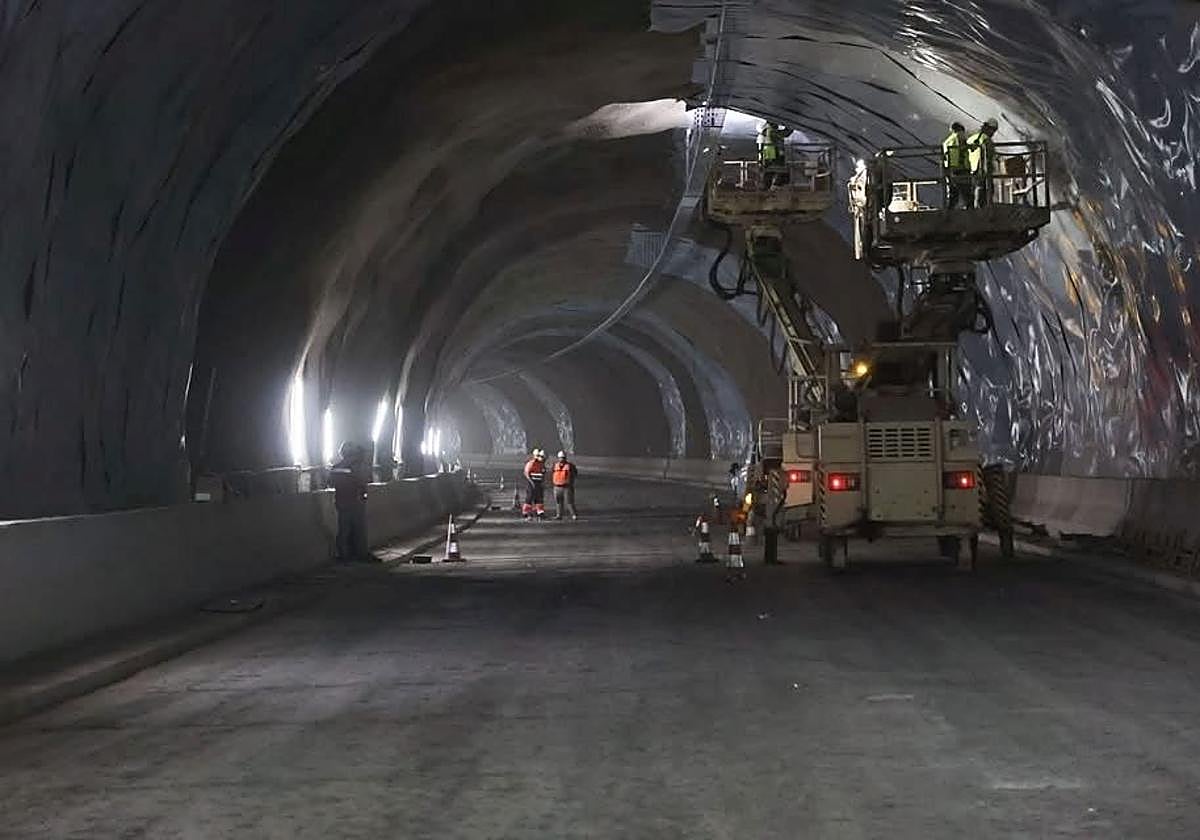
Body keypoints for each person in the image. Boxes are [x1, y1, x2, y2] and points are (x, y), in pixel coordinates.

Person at [329, 441, 372, 563]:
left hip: (342, 501)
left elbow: (331, 482)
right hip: (355, 501)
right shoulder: (356, 467)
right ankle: (361, 554)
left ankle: (343, 555)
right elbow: (363, 481)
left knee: (343, 529)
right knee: (359, 529)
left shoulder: (336, 467)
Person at [968, 117, 999, 207]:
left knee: (977, 188)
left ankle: (977, 207)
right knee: (986, 190)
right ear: (989, 128)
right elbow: (990, 155)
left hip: (972, 168)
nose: (993, 133)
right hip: (982, 169)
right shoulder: (986, 139)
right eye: (993, 130)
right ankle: (984, 208)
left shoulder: (971, 138)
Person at [942, 122, 972, 209]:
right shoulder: (959, 137)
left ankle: (950, 211)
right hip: (961, 168)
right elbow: (962, 151)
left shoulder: (947, 141)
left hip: (950, 168)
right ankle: (970, 210)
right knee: (966, 191)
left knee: (953, 192)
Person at [758, 122, 793, 188]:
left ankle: (768, 185)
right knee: (778, 169)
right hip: (773, 153)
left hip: (769, 153)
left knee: (770, 170)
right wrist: (790, 125)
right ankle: (776, 185)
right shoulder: (772, 131)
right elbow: (785, 133)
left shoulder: (766, 131)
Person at [551, 451, 579, 520]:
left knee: (569, 502)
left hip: (567, 487)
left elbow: (575, 474)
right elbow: (553, 473)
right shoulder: (555, 465)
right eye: (560, 458)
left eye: (563, 458)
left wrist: (570, 482)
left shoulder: (570, 466)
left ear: (565, 458)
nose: (561, 459)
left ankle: (574, 515)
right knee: (558, 502)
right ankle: (559, 515)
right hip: (557, 486)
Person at [522, 448, 547, 521]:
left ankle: (540, 513)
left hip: (539, 483)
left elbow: (543, 474)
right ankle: (526, 513)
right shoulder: (531, 463)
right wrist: (532, 483)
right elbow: (527, 473)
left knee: (539, 498)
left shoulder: (542, 464)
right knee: (529, 498)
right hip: (532, 483)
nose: (542, 459)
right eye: (541, 457)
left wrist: (543, 482)